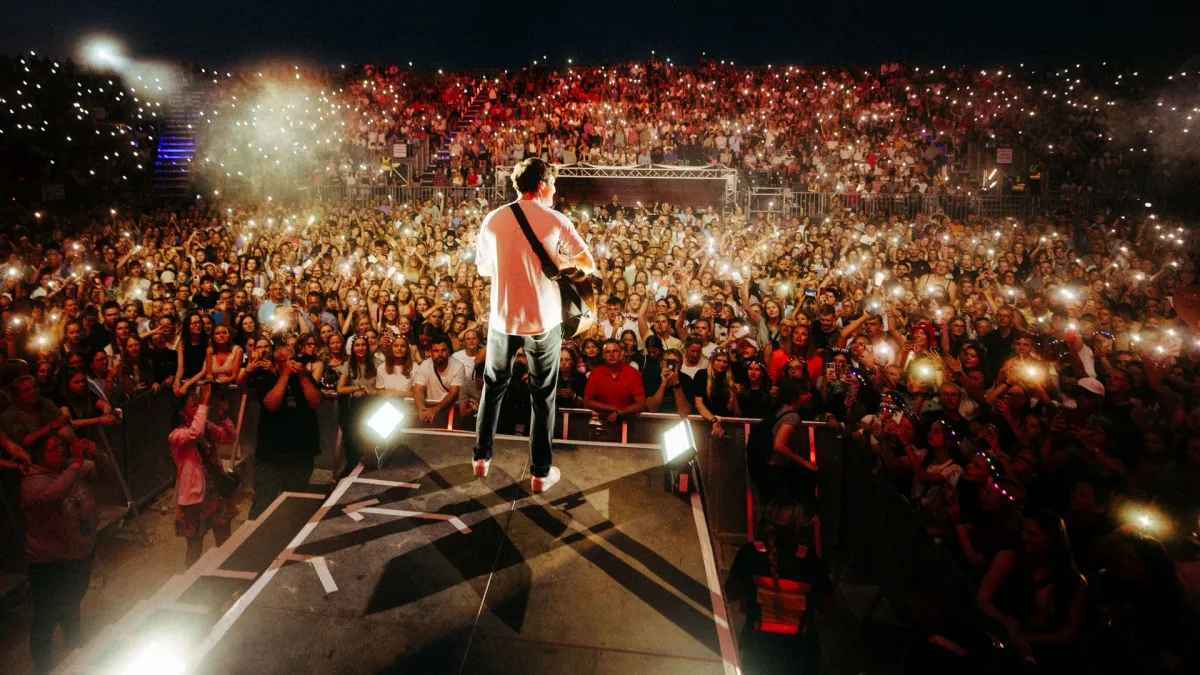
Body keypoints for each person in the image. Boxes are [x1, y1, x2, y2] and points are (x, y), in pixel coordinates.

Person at [471, 157, 595, 492]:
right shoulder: (555, 220)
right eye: (553, 184)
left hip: (502, 319)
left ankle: (481, 458)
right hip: (543, 321)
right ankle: (540, 474)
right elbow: (587, 264)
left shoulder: (493, 219)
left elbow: (483, 268)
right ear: (541, 185)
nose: (555, 190)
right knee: (543, 395)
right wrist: (561, 262)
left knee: (493, 386)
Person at [20, 434, 106, 675]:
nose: (59, 450)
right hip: (50, 559)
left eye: (60, 446)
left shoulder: (75, 467)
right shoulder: (32, 482)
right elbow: (52, 495)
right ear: (39, 455)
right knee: (46, 613)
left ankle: (74, 643)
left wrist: (96, 454)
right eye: (52, 449)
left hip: (80, 551)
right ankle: (43, 665)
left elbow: (104, 474)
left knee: (73, 600)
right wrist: (75, 464)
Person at [725, 497, 833, 675]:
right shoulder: (811, 561)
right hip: (802, 656)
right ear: (797, 527)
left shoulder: (749, 554)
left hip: (759, 651)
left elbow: (729, 593)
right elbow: (829, 608)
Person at [246, 346, 322, 519]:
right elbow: (271, 404)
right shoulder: (267, 378)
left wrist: (302, 376)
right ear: (277, 364)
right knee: (263, 501)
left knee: (294, 501)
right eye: (286, 361)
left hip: (301, 452)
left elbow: (316, 402)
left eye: (293, 359)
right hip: (271, 454)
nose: (292, 363)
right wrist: (285, 375)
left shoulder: (304, 376)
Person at [169, 384, 239, 567]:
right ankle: (191, 581)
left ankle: (226, 574)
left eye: (200, 404)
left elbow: (230, 437)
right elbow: (194, 434)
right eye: (195, 405)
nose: (201, 408)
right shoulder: (176, 436)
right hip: (194, 500)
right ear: (182, 413)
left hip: (215, 491)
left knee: (225, 540)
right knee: (194, 547)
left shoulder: (206, 426)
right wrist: (206, 401)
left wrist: (223, 416)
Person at [583, 338, 647, 424]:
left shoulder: (633, 373)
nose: (611, 355)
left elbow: (641, 404)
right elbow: (587, 402)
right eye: (607, 352)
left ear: (621, 353)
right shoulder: (595, 373)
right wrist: (610, 408)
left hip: (627, 423)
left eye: (615, 351)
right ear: (603, 355)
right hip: (601, 423)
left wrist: (619, 412)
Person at [412, 334, 466, 425]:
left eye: (443, 350)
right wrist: (421, 409)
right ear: (430, 352)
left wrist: (435, 410)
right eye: (436, 351)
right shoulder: (425, 365)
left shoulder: (458, 366)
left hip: (450, 409)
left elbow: (453, 394)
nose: (440, 354)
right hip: (429, 408)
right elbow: (418, 389)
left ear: (448, 351)